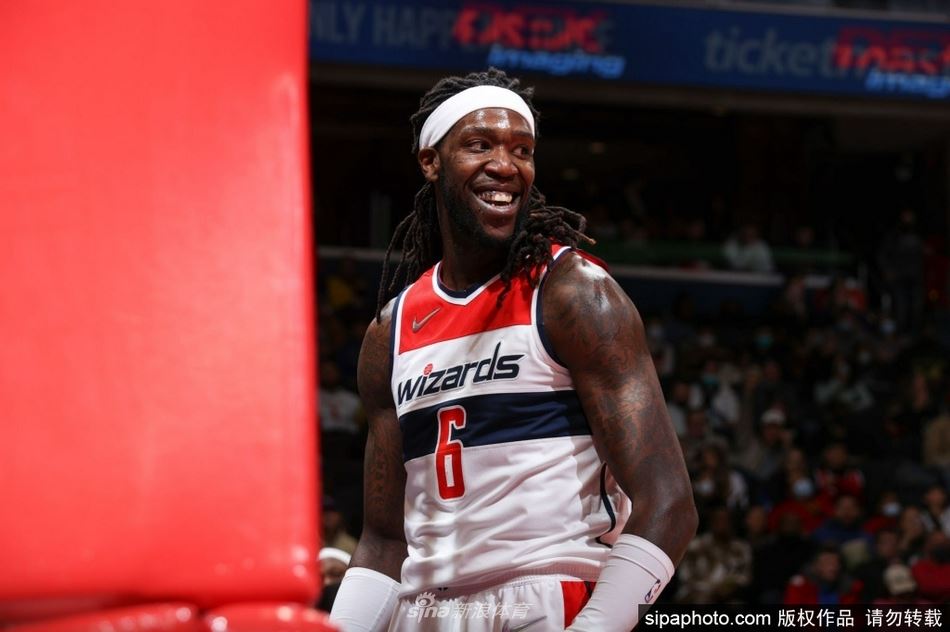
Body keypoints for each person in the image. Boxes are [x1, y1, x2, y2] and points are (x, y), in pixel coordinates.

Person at [329, 68, 697, 632]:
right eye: (480, 145)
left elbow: (668, 502)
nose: (505, 165)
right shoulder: (391, 330)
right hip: (425, 611)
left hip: (546, 597)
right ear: (430, 161)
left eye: (522, 150)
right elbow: (384, 541)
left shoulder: (573, 294)